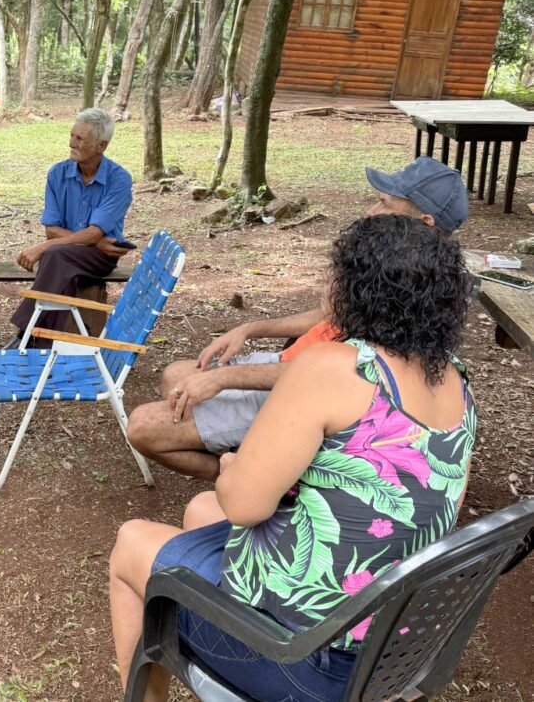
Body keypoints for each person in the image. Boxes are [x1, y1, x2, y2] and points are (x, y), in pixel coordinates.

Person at [110, 214, 476, 701]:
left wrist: (233, 467)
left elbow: (243, 506)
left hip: (302, 660)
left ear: (358, 289)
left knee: (132, 541)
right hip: (392, 649)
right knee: (201, 511)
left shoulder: (334, 365)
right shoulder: (457, 383)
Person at [126, 156, 468, 479]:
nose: (371, 211)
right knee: (176, 377)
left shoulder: (411, 302)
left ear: (423, 224)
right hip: (294, 367)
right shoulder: (390, 272)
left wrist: (225, 378)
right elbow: (329, 318)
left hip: (303, 390)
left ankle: (250, 474)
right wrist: (250, 328)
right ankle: (253, 456)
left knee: (143, 424)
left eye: (386, 205)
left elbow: (330, 375)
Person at [9, 107, 134, 344]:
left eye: (80, 139)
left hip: (101, 257)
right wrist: (93, 240)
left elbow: (92, 231)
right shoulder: (57, 173)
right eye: (71, 136)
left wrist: (45, 247)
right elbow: (51, 229)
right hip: (92, 247)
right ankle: (41, 343)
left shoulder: (119, 179)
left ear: (102, 146)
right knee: (58, 257)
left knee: (54, 253)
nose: (71, 144)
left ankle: (24, 334)